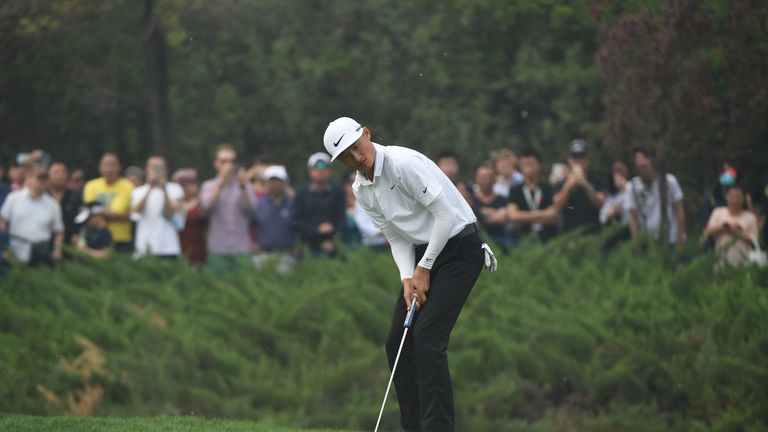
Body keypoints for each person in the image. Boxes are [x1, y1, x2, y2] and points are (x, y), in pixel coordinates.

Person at [323, 116, 496, 431]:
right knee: (396, 343)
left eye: (356, 147)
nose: (356, 157)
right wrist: (407, 279)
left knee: (428, 337)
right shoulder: (361, 189)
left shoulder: (403, 163)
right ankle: (413, 425)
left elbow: (444, 215)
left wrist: (424, 268)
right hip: (420, 255)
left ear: (366, 134)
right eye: (346, 156)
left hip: (460, 249)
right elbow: (396, 236)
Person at [200, 144, 257, 272]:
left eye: (231, 161)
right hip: (218, 249)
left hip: (241, 248)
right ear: (216, 164)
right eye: (223, 161)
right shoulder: (208, 185)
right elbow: (206, 205)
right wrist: (222, 182)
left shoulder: (245, 185)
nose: (228, 165)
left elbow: (252, 208)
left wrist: (242, 186)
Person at [0, 164, 64, 266]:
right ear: (29, 179)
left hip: (41, 250)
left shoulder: (53, 204)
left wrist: (57, 250)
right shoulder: (14, 198)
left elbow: (58, 231)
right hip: (15, 247)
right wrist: (4, 246)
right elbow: (3, 221)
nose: (41, 182)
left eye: (44, 179)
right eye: (38, 178)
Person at [625, 146, 686, 249]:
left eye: (644, 165)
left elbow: (679, 211)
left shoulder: (669, 181)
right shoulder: (632, 187)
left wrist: (680, 239)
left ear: (651, 161)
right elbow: (633, 218)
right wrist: (636, 244)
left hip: (670, 240)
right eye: (639, 165)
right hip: (647, 243)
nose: (642, 168)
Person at [130, 156, 184, 259]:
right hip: (144, 248)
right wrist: (150, 187)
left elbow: (171, 212)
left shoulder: (175, 189)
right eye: (152, 167)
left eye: (159, 167)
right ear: (147, 169)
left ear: (166, 169)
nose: (155, 171)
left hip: (169, 248)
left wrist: (163, 189)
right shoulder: (138, 191)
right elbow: (136, 211)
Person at [293, 152, 345, 257]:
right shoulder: (302, 193)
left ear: (329, 171)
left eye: (325, 167)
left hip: (332, 244)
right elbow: (297, 220)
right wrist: (316, 230)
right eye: (316, 168)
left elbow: (341, 218)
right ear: (310, 172)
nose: (321, 171)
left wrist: (333, 238)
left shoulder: (337, 192)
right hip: (307, 245)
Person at [503, 148, 560, 242]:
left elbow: (554, 215)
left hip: (548, 239)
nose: (528, 168)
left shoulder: (548, 188)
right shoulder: (515, 190)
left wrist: (524, 217)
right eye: (525, 164)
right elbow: (513, 216)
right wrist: (544, 214)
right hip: (523, 240)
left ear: (539, 165)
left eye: (531, 164)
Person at [83, 153, 135, 252]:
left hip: (120, 238)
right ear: (100, 167)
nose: (109, 169)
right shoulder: (91, 186)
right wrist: (112, 214)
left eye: (113, 165)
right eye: (106, 165)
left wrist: (100, 211)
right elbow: (90, 213)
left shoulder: (128, 186)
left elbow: (119, 212)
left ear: (119, 167)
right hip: (95, 237)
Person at [553, 139, 606, 233]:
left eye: (581, 157)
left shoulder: (596, 179)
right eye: (575, 157)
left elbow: (601, 204)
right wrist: (569, 185)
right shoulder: (561, 182)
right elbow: (557, 207)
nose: (578, 161)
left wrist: (586, 185)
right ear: (569, 161)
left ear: (587, 160)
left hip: (593, 232)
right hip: (569, 233)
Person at [701, 183, 759, 268]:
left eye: (738, 197)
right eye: (732, 196)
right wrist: (723, 227)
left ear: (743, 199)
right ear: (727, 197)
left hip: (745, 263)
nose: (735, 200)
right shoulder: (718, 212)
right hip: (721, 262)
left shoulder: (750, 217)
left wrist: (734, 232)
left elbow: (754, 239)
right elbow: (707, 232)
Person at [252, 165, 296, 272]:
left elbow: (299, 226)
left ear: (285, 182)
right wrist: (253, 243)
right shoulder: (259, 204)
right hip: (263, 254)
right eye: (271, 181)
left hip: (286, 255)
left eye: (278, 181)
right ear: (266, 183)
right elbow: (251, 224)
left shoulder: (293, 204)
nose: (274, 184)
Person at [470, 162, 512, 247]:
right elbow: (472, 223)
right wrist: (496, 213)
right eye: (484, 177)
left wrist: (480, 215)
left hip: (501, 242)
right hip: (477, 243)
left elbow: (504, 218)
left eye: (490, 176)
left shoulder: (503, 200)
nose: (487, 179)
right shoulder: (470, 200)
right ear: (476, 178)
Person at [174, 168, 207, 267]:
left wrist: (197, 196)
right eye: (184, 184)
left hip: (197, 246)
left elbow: (203, 216)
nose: (187, 187)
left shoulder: (200, 201)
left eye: (191, 184)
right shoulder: (176, 202)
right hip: (178, 245)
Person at [48, 162, 83, 245]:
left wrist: (77, 233)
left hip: (70, 241)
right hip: (45, 241)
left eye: (63, 172)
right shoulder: (43, 196)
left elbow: (82, 216)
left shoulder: (76, 197)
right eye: (56, 172)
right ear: (48, 175)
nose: (59, 176)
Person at [600, 161, 630, 226]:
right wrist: (611, 214)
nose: (617, 179)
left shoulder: (633, 188)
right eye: (615, 177)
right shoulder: (613, 197)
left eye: (620, 175)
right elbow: (602, 218)